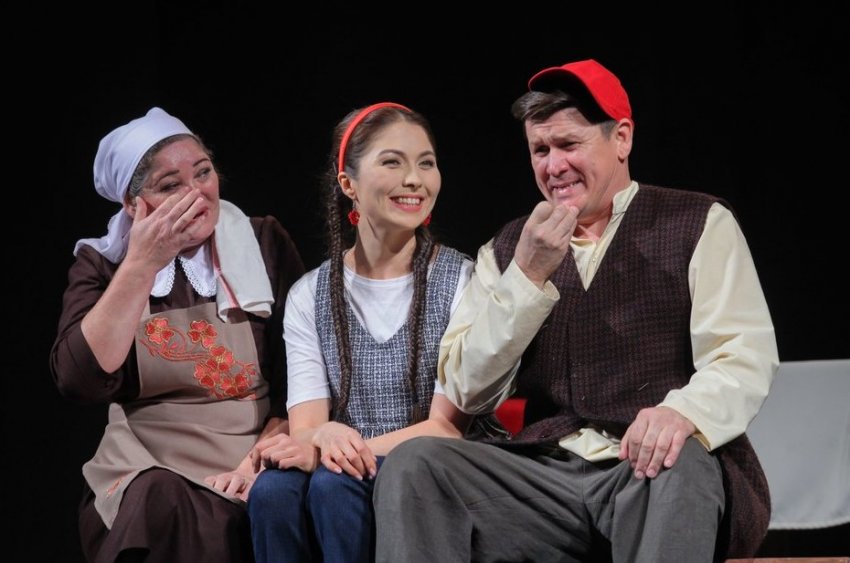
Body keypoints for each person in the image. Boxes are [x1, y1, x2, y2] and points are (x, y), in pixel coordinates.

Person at [373, 59, 780, 562]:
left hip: (650, 471)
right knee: (417, 465)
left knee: (680, 460)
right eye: (540, 150)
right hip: (544, 480)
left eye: (569, 144)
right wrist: (527, 277)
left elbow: (742, 354)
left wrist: (683, 412)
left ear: (622, 139)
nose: (553, 166)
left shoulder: (696, 223)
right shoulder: (508, 250)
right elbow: (466, 388)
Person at [49, 107, 306, 562]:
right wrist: (142, 263)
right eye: (170, 186)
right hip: (147, 461)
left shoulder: (263, 242)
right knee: (159, 497)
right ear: (133, 204)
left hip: (250, 453)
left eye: (203, 173)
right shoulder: (104, 265)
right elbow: (79, 379)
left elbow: (303, 367)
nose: (196, 193)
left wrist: (271, 445)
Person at [246, 102, 480, 563]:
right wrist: (324, 437)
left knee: (333, 484)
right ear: (348, 184)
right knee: (272, 492)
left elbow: (447, 428)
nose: (414, 179)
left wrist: (333, 451)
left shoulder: (461, 280)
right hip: (340, 465)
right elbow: (307, 427)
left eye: (426, 163)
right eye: (392, 162)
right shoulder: (310, 294)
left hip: (432, 463)